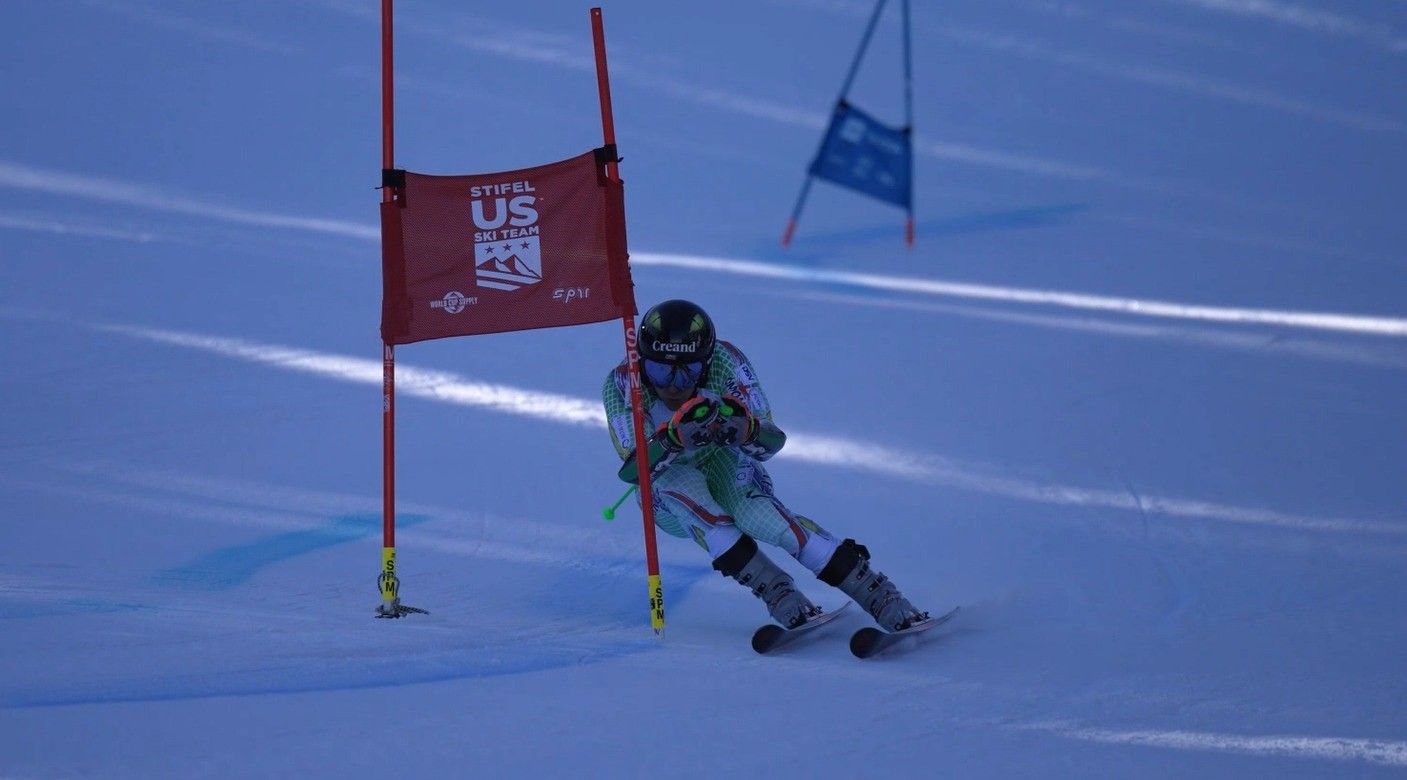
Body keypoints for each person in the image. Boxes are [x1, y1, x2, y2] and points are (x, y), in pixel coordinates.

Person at [602, 299, 928, 630]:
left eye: (690, 371)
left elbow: (771, 443)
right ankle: (776, 590)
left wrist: (745, 429)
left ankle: (878, 593)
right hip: (665, 493)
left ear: (707, 362)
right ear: (643, 362)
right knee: (685, 495)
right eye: (660, 369)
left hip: (722, 460)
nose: (674, 384)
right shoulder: (622, 385)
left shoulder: (726, 362)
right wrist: (672, 439)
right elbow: (633, 472)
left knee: (758, 516)